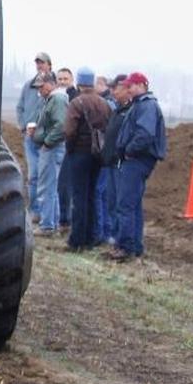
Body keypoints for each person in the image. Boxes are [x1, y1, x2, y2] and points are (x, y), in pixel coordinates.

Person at [107, 72, 167, 262]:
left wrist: (129, 151)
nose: (128, 89)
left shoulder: (147, 105)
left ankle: (125, 247)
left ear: (141, 85)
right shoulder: (140, 104)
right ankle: (135, 246)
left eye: (130, 86)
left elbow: (145, 134)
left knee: (125, 204)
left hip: (137, 160)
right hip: (135, 159)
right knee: (132, 204)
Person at [63, 68, 112, 251]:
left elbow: (69, 131)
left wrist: (70, 149)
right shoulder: (104, 103)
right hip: (98, 155)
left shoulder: (76, 103)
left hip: (79, 154)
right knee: (92, 195)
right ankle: (92, 237)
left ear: (79, 83)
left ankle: (77, 240)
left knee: (79, 196)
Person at [15, 52, 52, 218]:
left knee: (48, 175)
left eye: (42, 63)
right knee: (33, 174)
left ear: (49, 65)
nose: (39, 66)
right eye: (37, 63)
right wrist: (23, 126)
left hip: (47, 138)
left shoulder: (53, 87)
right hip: (30, 138)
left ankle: (48, 212)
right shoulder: (28, 86)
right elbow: (19, 107)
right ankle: (34, 210)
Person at [30, 72, 67, 236]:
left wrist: (47, 142)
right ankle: (52, 223)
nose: (40, 91)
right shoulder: (52, 99)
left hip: (52, 148)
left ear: (50, 84)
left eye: (41, 87)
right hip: (51, 147)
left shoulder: (57, 100)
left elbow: (60, 125)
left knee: (46, 186)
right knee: (51, 186)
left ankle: (47, 226)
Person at [99, 81, 131, 245]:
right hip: (110, 161)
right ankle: (112, 233)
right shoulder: (117, 110)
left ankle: (121, 238)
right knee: (110, 199)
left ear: (127, 89)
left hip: (121, 163)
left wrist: (124, 153)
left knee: (120, 201)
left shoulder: (130, 111)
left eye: (116, 89)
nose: (112, 92)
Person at [55, 67, 77, 229]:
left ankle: (65, 218)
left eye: (65, 79)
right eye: (60, 79)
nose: (62, 82)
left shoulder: (74, 98)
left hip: (68, 144)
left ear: (72, 80)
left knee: (66, 183)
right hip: (57, 142)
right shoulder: (56, 96)